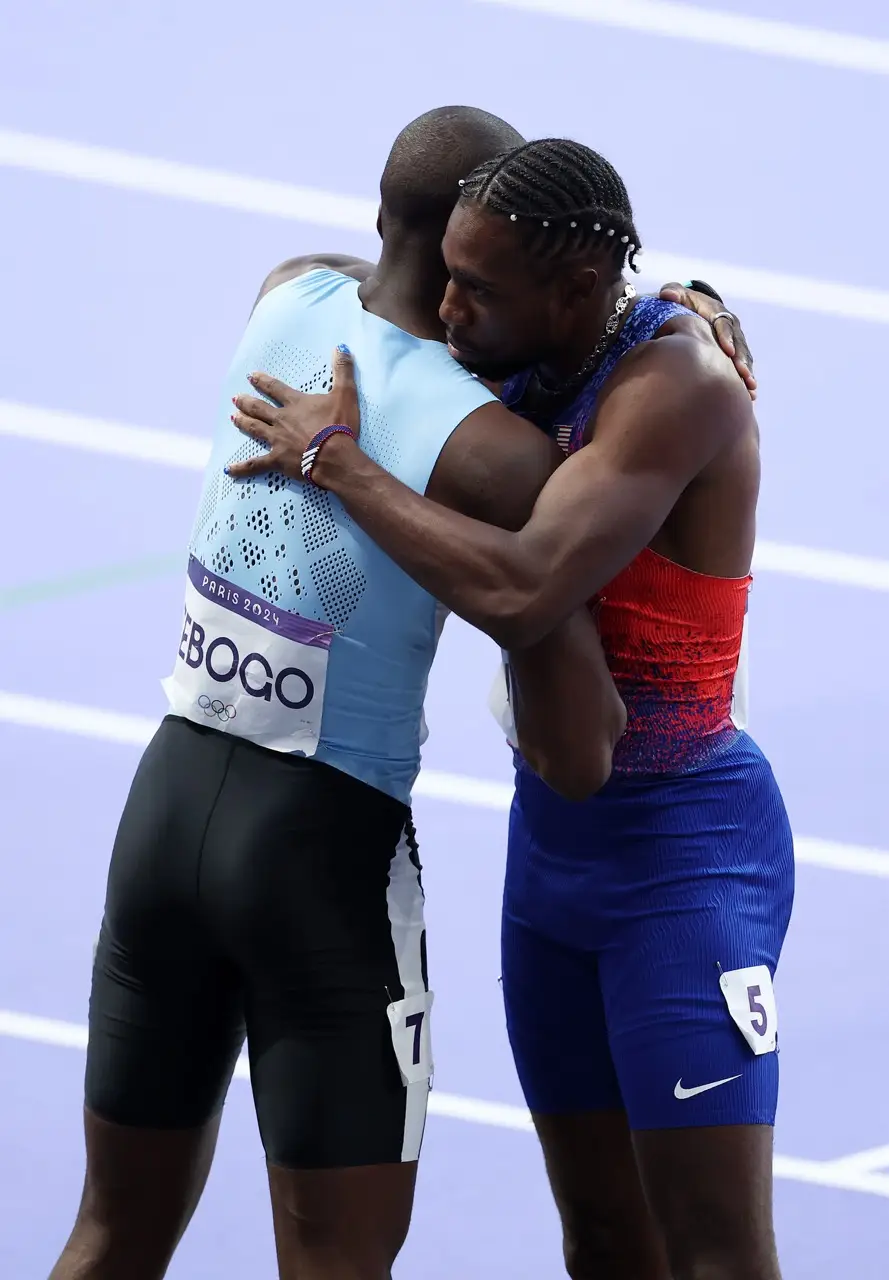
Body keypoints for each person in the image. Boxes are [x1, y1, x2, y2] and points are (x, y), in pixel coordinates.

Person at [49, 107, 641, 1280]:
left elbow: (340, 277)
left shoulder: (285, 295)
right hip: (321, 857)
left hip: (164, 810)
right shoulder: (493, 451)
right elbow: (579, 750)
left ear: (384, 216)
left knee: (110, 1235)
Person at [226, 137, 792, 1280]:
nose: (445, 306)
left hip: (682, 856)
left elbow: (532, 587)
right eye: (447, 272)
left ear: (577, 290)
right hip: (551, 859)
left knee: (717, 1258)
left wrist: (335, 459)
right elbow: (360, 279)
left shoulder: (673, 389)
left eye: (473, 287)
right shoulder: (526, 328)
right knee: (600, 1242)